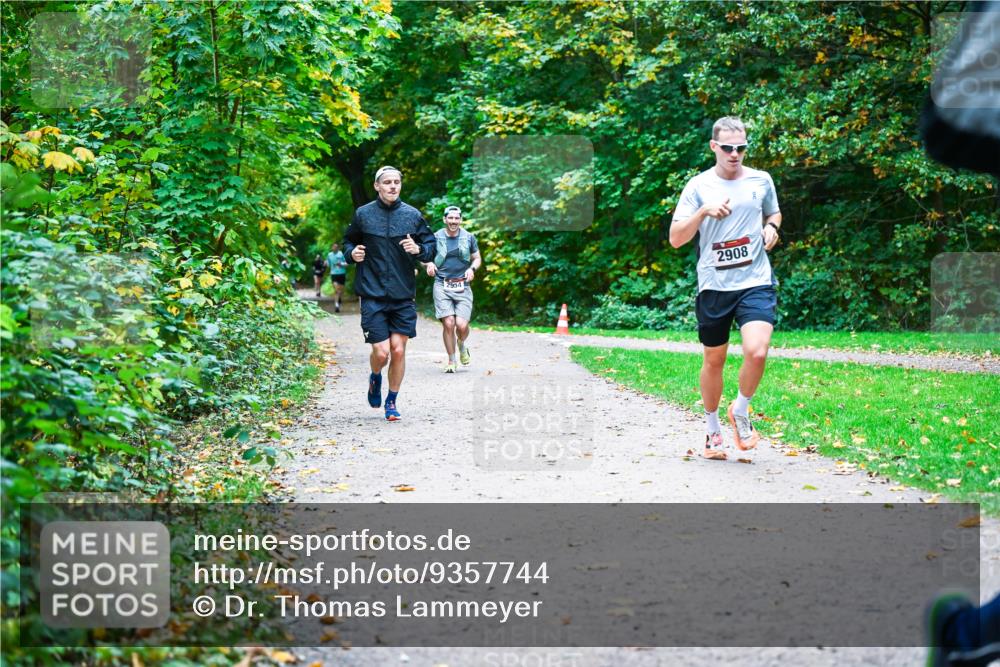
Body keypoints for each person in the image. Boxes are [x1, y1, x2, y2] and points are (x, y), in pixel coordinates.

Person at [669, 116, 781, 461]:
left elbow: (773, 214)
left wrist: (772, 228)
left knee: (757, 351)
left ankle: (741, 409)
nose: (735, 154)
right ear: (714, 147)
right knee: (714, 359)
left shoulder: (761, 180)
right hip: (715, 285)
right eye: (728, 148)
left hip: (755, 280)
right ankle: (712, 429)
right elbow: (676, 239)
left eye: (741, 148)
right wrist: (703, 212)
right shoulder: (698, 186)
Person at [343, 165, 436, 421]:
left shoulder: (412, 215)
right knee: (382, 352)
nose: (393, 186)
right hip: (372, 293)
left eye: (397, 182)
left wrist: (419, 250)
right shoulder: (363, 214)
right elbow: (348, 241)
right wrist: (352, 253)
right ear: (377, 186)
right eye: (387, 182)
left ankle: (391, 401)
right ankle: (375, 377)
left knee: (398, 350)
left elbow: (431, 246)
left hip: (403, 294)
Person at [424, 206, 482, 373]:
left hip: (463, 285)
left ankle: (461, 344)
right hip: (441, 284)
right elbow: (423, 257)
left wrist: (472, 269)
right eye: (450, 218)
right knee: (448, 323)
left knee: (461, 326)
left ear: (460, 220)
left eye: (457, 218)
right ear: (445, 219)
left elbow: (477, 258)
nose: (453, 221)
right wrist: (429, 264)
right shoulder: (435, 237)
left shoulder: (468, 237)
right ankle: (451, 361)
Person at [327, 242, 347, 313]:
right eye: (333, 246)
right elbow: (328, 264)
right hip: (334, 274)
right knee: (337, 289)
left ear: (338, 248)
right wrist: (326, 264)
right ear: (332, 248)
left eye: (336, 247)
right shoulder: (329, 255)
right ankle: (336, 305)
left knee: (340, 290)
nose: (334, 248)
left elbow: (346, 263)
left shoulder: (341, 254)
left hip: (342, 273)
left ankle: (339, 298)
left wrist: (341, 264)